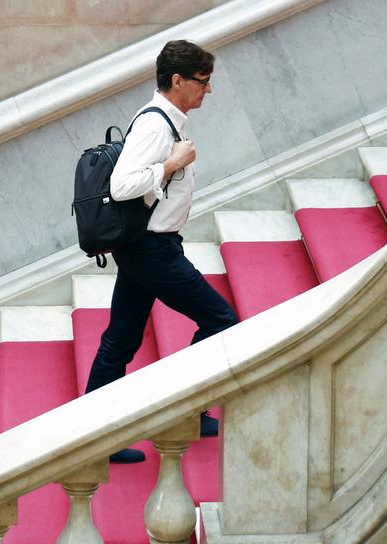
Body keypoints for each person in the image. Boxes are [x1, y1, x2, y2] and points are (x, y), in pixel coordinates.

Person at [85, 40, 238, 463]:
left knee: (122, 339)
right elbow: (121, 186)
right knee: (221, 319)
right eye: (203, 82)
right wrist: (171, 164)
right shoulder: (156, 126)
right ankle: (185, 411)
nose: (207, 91)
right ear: (177, 81)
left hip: (148, 246)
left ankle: (93, 435)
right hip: (152, 251)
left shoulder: (166, 119)